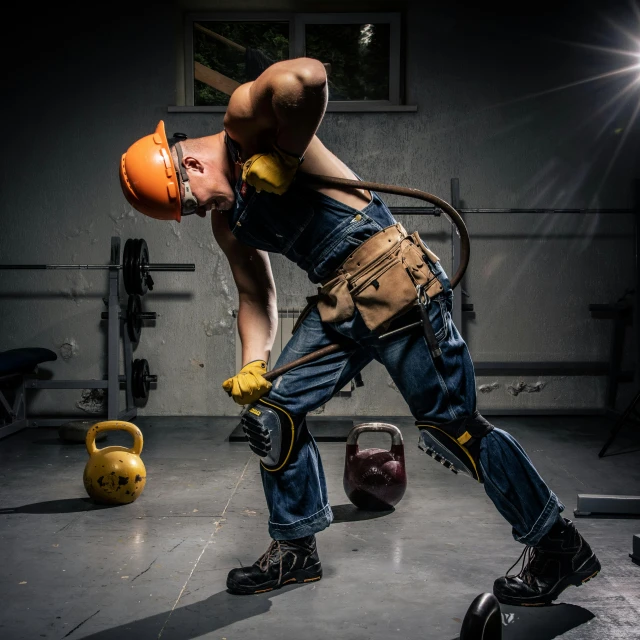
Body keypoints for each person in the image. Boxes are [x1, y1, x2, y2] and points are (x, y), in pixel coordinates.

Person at [119, 57, 601, 605]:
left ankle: (557, 544)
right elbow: (256, 295)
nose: (201, 210)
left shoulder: (244, 121)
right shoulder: (229, 221)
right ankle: (295, 549)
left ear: (191, 170)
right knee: (272, 413)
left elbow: (307, 78)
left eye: (192, 202)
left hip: (391, 277)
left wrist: (284, 154)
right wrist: (254, 362)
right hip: (338, 301)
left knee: (453, 428)